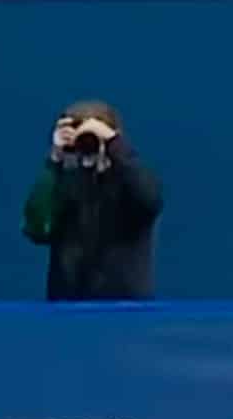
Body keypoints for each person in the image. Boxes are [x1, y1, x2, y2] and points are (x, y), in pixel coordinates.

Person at [23, 101, 162, 302]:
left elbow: (150, 200)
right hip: (68, 309)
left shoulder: (129, 184)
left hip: (126, 309)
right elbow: (36, 227)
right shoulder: (63, 183)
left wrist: (114, 145)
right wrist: (54, 161)